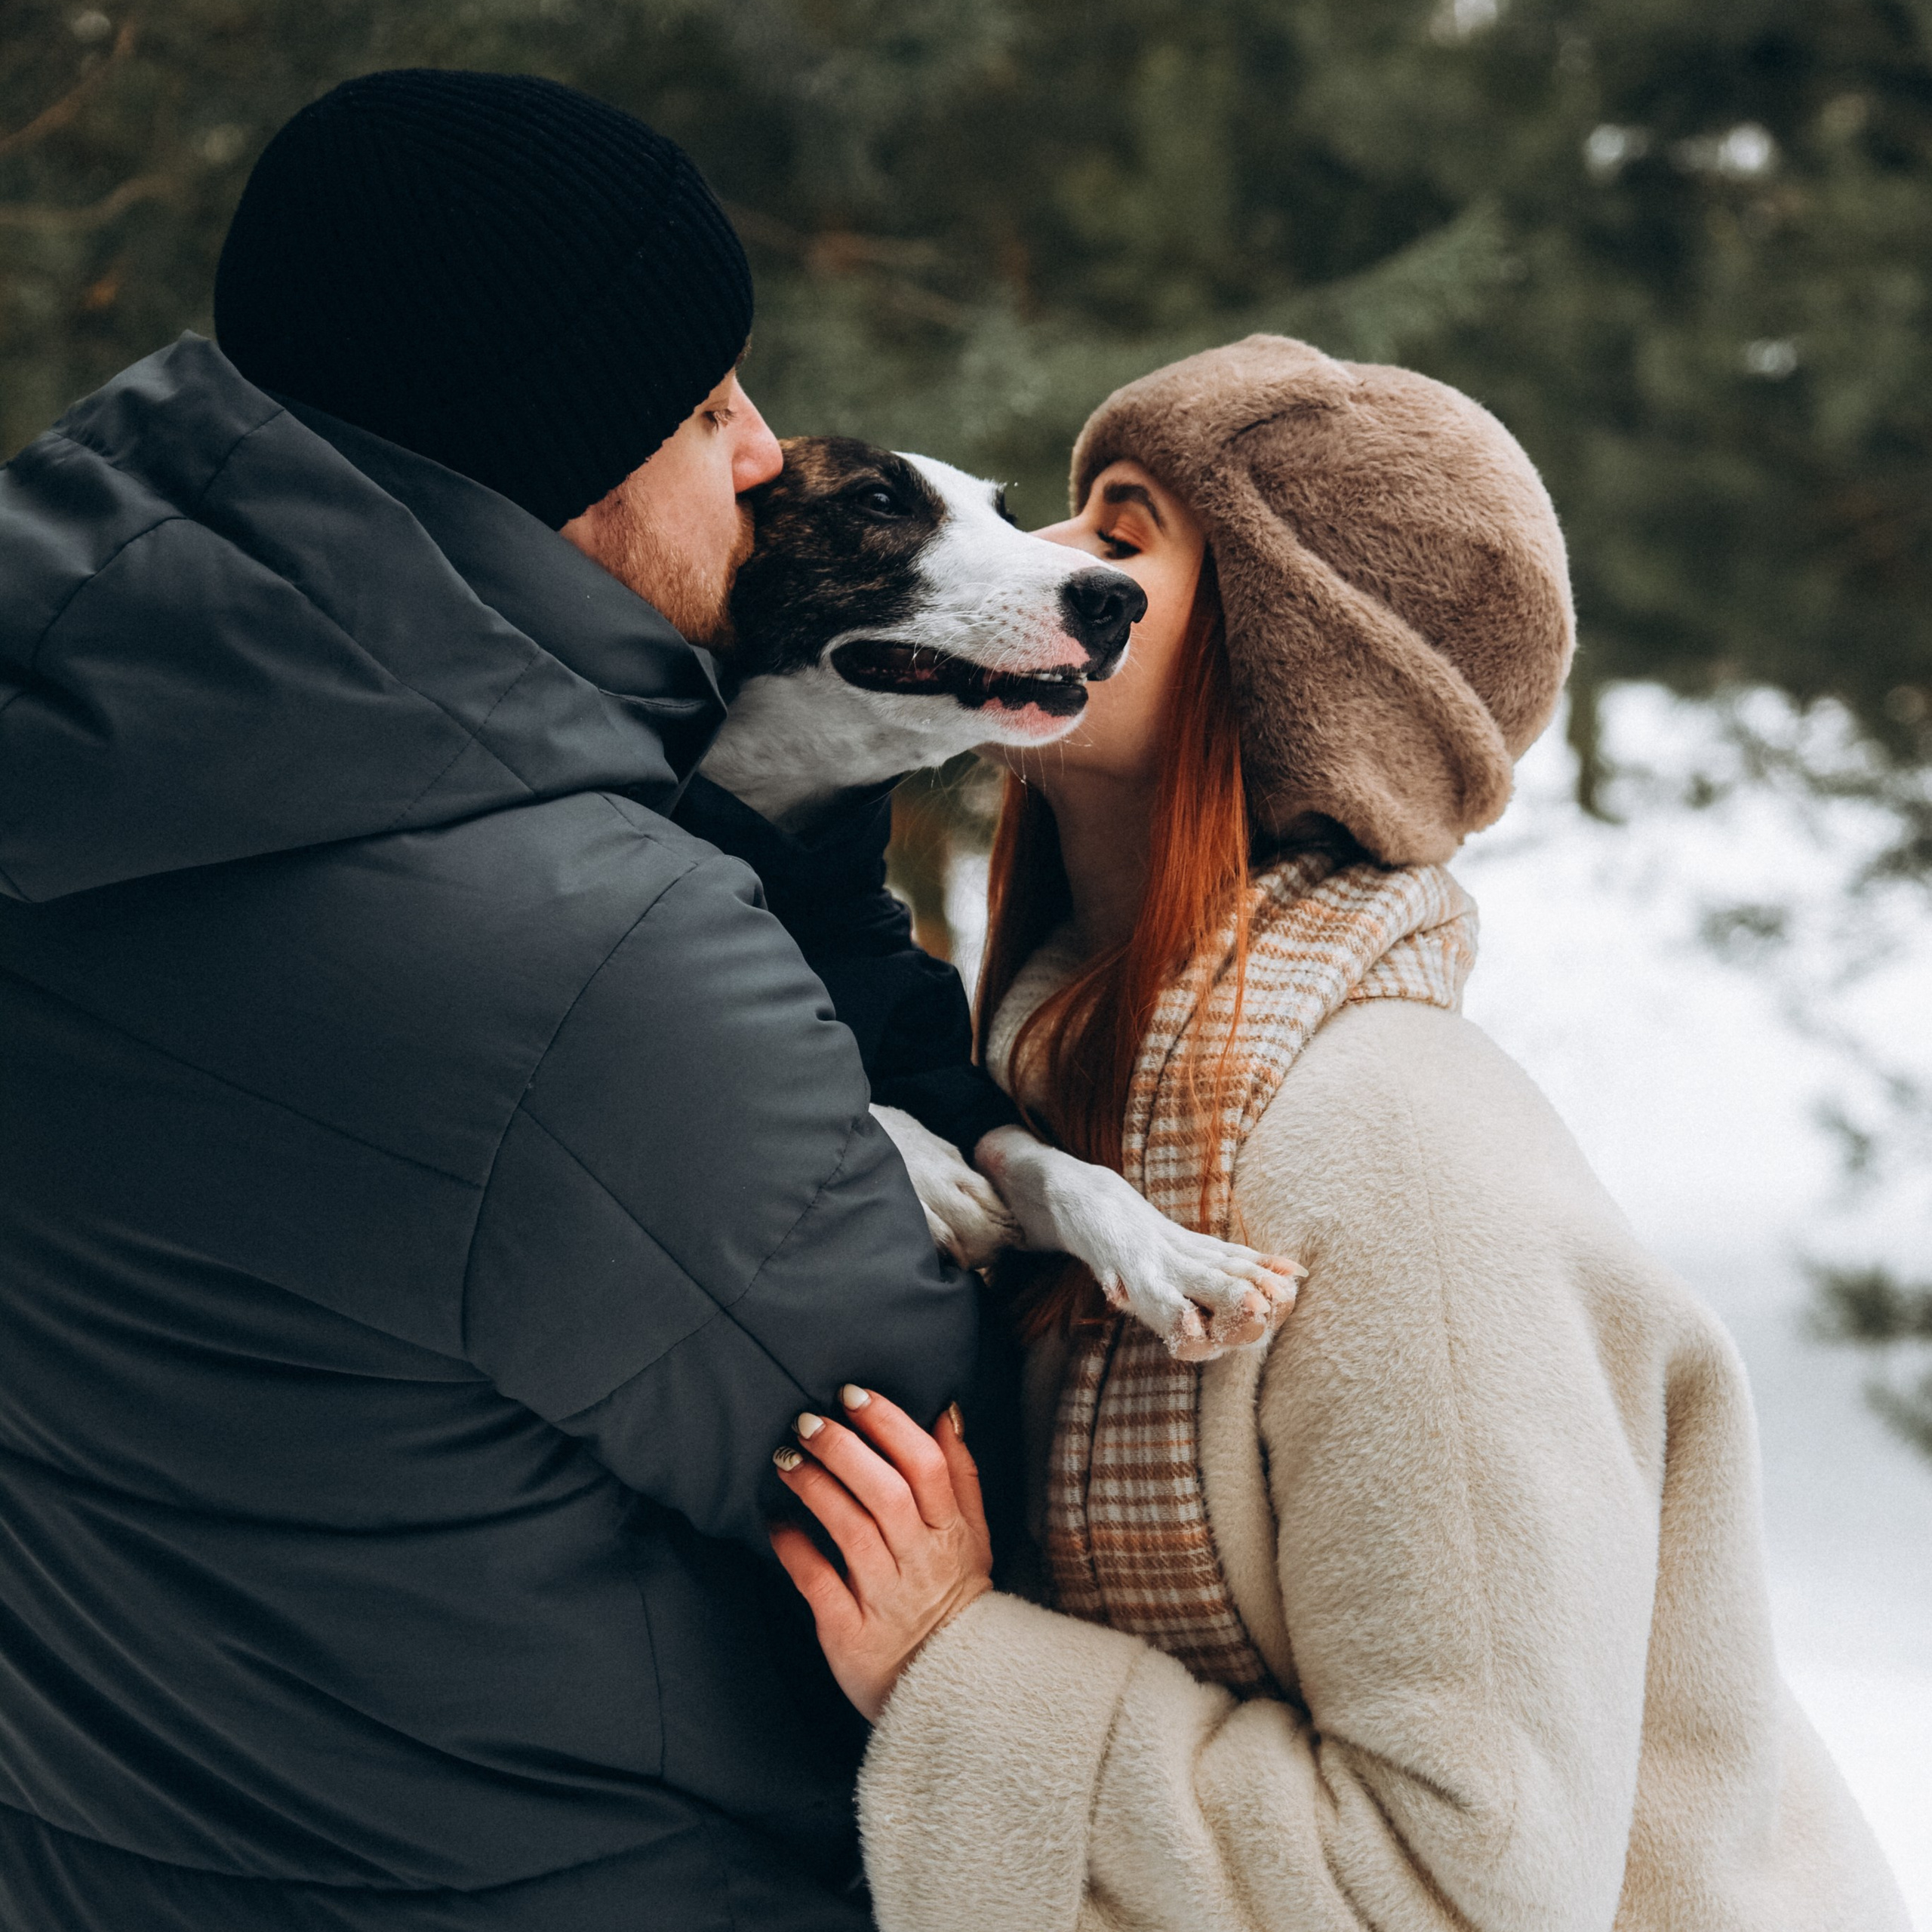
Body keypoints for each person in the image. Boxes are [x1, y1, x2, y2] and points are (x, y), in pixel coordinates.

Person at [766, 336, 1912, 1931]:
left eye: (1118, 535)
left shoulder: (1394, 1157)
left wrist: (953, 1662)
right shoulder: (1051, 1109)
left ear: (1290, 660)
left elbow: (1461, 1891)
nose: (1035, 564)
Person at [0, 69, 977, 1932]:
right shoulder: (588, 962)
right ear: (558, 478)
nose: (767, 452)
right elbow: (941, 1452)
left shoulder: (60, 746)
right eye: (706, 408)